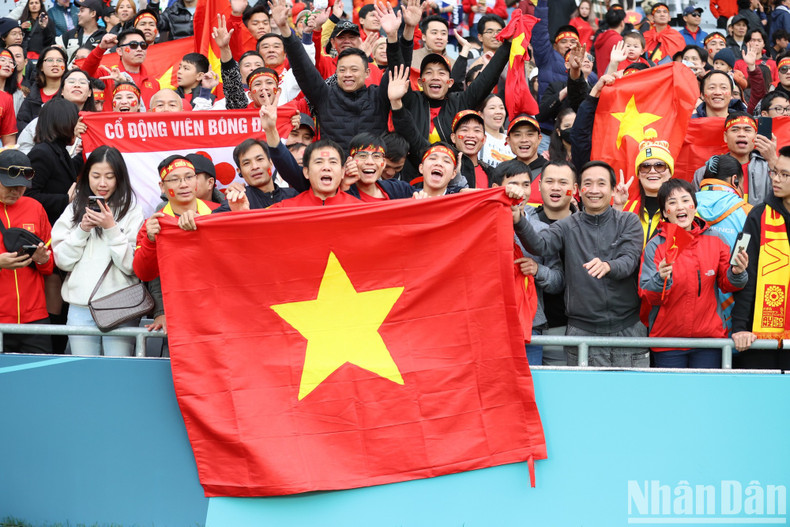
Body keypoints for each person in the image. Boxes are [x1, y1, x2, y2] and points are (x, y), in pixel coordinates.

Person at [511, 160, 648, 367]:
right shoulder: (566, 226)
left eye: (601, 184)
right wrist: (519, 220)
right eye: (588, 184)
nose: (594, 190)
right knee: (584, 397)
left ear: (612, 189)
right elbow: (539, 245)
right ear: (578, 190)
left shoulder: (628, 221)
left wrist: (609, 266)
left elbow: (629, 260)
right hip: (582, 330)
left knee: (632, 396)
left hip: (628, 327)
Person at [639, 178, 748, 368]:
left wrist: (737, 273)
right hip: (667, 342)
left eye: (685, 200)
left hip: (709, 340)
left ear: (694, 206)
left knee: (706, 395)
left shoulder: (716, 239)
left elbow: (728, 284)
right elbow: (648, 296)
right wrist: (660, 279)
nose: (680, 207)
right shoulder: (655, 246)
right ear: (665, 212)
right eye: (672, 202)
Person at [51, 146, 144, 356]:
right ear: (86, 177)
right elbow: (62, 261)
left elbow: (132, 266)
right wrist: (82, 230)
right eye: (96, 176)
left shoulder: (132, 209)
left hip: (121, 306)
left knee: (118, 371)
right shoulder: (74, 208)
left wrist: (111, 228)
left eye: (110, 177)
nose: (102, 183)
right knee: (84, 371)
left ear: (120, 178)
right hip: (79, 306)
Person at [492, 159, 564, 366]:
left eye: (526, 185)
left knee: (529, 388)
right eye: (514, 184)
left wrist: (538, 270)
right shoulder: (479, 224)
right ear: (497, 188)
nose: (521, 192)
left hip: (530, 325)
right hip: (489, 322)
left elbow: (559, 281)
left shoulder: (542, 230)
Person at [731, 145, 790, 368]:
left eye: (785, 175)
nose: (776, 179)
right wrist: (739, 327)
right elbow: (746, 273)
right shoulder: (758, 215)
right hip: (760, 333)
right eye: (775, 172)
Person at [0, 148, 54, 354]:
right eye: (10, 186)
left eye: (22, 187)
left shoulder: (35, 207)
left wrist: (42, 260)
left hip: (35, 318)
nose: (16, 192)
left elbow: (49, 267)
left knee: (41, 381)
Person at [695, 154, 752, 333]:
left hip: (689, 314)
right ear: (735, 180)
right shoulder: (749, 212)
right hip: (733, 318)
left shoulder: (682, 208)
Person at [534, 160, 578, 366]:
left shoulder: (586, 225)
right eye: (549, 181)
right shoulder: (524, 222)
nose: (556, 187)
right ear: (539, 184)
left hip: (571, 327)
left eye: (563, 182)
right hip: (530, 327)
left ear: (575, 189)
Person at [692, 112, 775, 206]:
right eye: (735, 130)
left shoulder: (769, 168)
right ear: (725, 137)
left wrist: (772, 160)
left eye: (747, 130)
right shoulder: (705, 172)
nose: (741, 134)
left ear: (756, 136)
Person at [26, 97, 81, 227]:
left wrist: (86, 152)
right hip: (46, 227)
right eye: (75, 121)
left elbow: (66, 170)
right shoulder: (41, 153)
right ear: (64, 123)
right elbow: (29, 196)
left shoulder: (57, 149)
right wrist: (65, 200)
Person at [18, 68, 95, 154]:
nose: (77, 85)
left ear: (90, 92)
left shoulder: (96, 124)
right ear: (61, 91)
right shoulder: (45, 118)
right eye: (71, 81)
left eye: (82, 82)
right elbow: (24, 148)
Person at [268, 139, 362, 208]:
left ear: (342, 172)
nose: (326, 167)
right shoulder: (285, 209)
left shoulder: (359, 209)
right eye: (319, 162)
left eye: (333, 162)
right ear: (306, 172)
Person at [213, 138, 297, 213]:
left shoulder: (294, 196)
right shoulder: (237, 201)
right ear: (240, 171)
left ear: (271, 163)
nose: (255, 167)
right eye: (246, 163)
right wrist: (239, 215)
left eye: (260, 159)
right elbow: (210, 222)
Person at [82, 29, 159, 109]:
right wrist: (101, 48)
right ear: (119, 51)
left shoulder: (154, 83)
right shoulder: (106, 74)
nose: (139, 49)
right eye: (133, 45)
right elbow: (84, 74)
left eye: (143, 45)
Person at [17, 46, 68, 133]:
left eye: (60, 60)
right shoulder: (32, 95)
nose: (55, 64)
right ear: (41, 67)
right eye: (50, 60)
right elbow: (22, 123)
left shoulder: (69, 93)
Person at [478, 94, 512, 167]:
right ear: (481, 114)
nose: (498, 112)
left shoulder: (511, 140)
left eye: (501, 108)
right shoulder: (477, 139)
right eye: (492, 108)